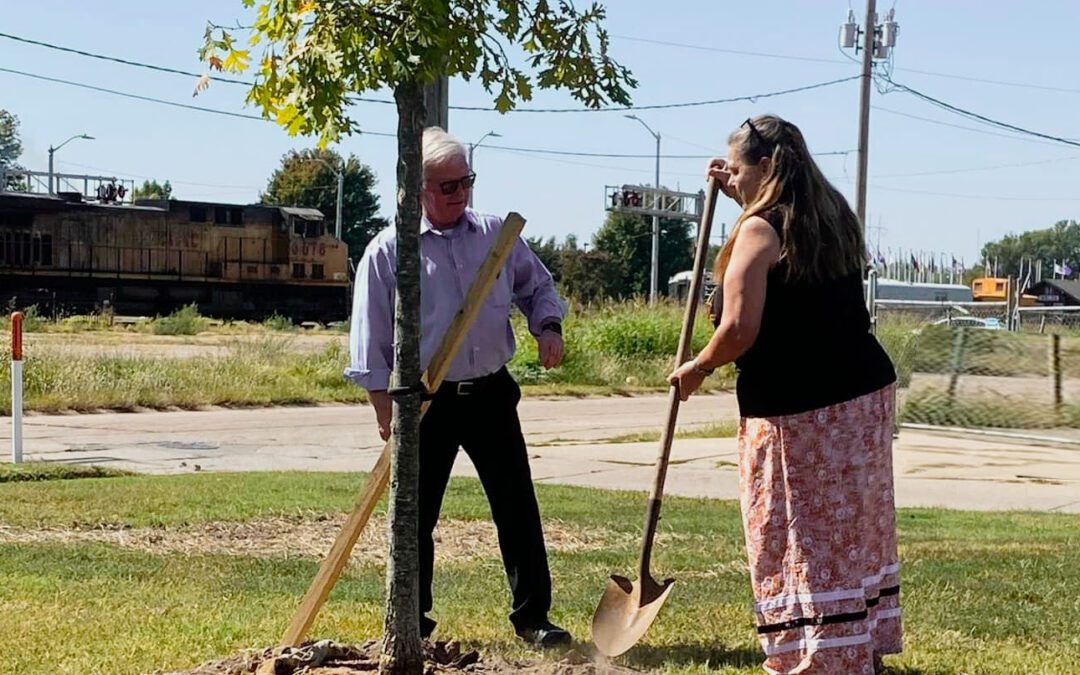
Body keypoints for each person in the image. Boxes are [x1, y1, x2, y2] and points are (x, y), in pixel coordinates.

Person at [668, 115, 902, 674]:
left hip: (799, 410)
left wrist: (698, 367)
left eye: (741, 169)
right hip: (861, 398)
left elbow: (740, 329)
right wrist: (738, 197)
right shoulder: (831, 214)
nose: (734, 179)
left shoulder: (758, 229)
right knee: (849, 529)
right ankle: (855, 645)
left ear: (768, 167)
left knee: (795, 531)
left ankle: (815, 657)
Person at [345, 127, 571, 648]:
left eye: (466, 181)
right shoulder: (389, 250)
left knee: (516, 507)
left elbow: (538, 286)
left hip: (492, 393)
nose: (461, 194)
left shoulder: (497, 234)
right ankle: (412, 625)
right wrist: (383, 406)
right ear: (415, 188)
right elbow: (370, 337)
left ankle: (534, 618)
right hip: (427, 402)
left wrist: (548, 327)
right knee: (415, 517)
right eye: (448, 186)